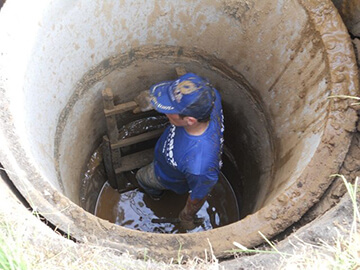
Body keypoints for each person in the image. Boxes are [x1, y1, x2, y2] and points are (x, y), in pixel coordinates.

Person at [134, 73, 224, 230]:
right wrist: (153, 100)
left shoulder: (199, 166)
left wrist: (186, 216)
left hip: (166, 176)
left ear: (190, 120)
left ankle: (156, 195)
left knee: (141, 177)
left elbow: (198, 196)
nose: (164, 111)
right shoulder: (210, 97)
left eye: (169, 109)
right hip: (170, 159)